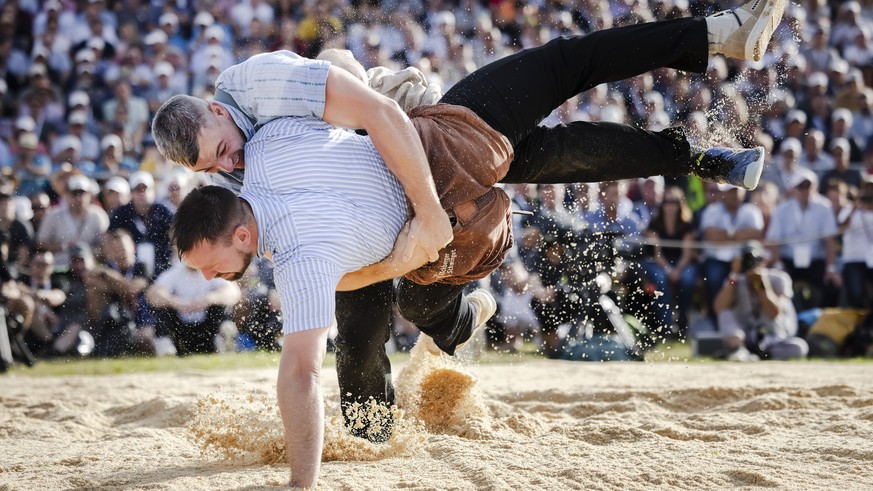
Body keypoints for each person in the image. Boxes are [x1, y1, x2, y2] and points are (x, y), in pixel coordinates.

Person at [165, 1, 788, 486]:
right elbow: (312, 304)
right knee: (366, 334)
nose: (230, 161)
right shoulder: (249, 189)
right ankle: (375, 438)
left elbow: (371, 102)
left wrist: (428, 219)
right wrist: (400, 254)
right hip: (373, 216)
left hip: (417, 135)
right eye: (212, 167)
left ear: (216, 109)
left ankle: (708, 81)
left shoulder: (263, 90)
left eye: (223, 148)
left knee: (550, 137)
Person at [713, 242, 808, 361]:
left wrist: (761, 284)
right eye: (746, 260)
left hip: (774, 337)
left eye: (754, 260)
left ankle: (762, 355)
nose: (750, 264)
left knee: (800, 347)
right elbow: (719, 308)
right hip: (747, 336)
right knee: (725, 314)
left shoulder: (779, 278)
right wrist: (734, 275)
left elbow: (773, 313)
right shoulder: (735, 281)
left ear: (764, 260)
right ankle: (738, 349)